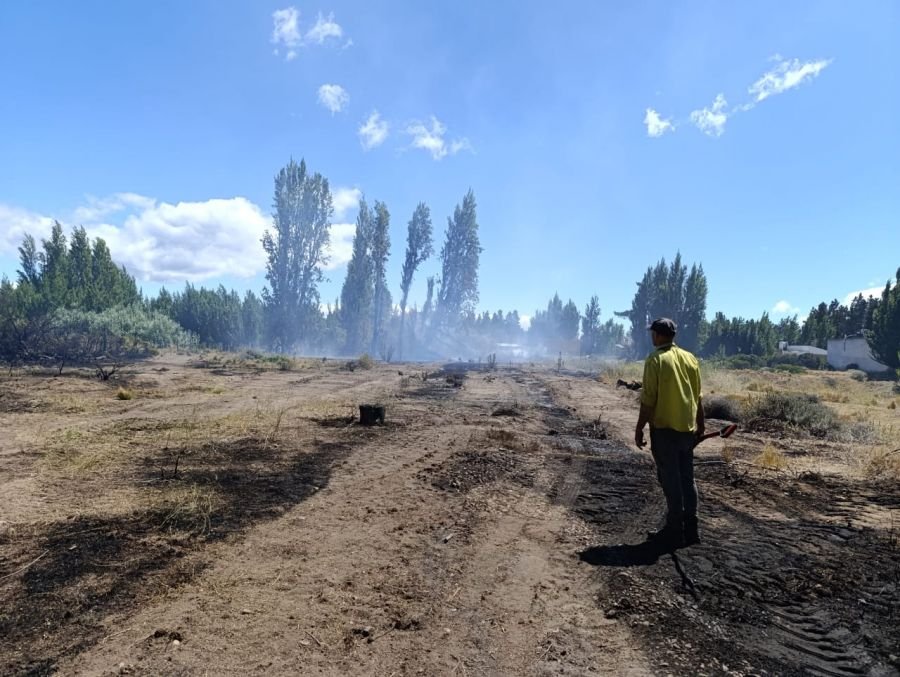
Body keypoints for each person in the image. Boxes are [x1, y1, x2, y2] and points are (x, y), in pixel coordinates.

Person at [634, 318, 704, 550]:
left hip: (664, 431)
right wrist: (700, 426)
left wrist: (639, 427)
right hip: (687, 430)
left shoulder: (655, 360)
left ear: (658, 335)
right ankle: (691, 530)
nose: (651, 337)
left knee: (670, 480)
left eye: (652, 333)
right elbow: (698, 397)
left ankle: (674, 531)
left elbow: (648, 401)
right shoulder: (690, 358)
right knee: (687, 478)